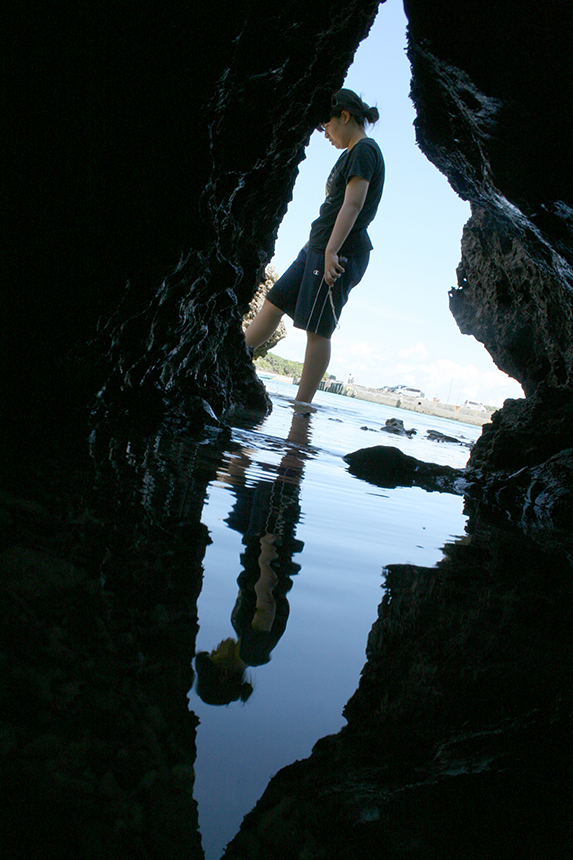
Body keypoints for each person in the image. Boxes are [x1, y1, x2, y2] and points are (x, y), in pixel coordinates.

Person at [245, 89, 384, 409]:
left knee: (317, 329)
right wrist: (321, 248)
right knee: (274, 301)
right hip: (316, 248)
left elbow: (353, 204)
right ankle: (234, 356)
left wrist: (333, 251)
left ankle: (301, 407)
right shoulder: (350, 153)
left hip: (340, 251)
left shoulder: (365, 150)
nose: (325, 134)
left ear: (345, 116)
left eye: (327, 125)